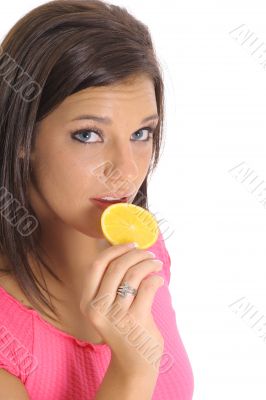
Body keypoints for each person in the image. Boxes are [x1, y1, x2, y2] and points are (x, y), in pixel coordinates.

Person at [0, 0, 194, 398]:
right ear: (22, 139)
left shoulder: (142, 249)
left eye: (141, 134)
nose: (125, 172)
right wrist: (132, 373)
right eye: (88, 134)